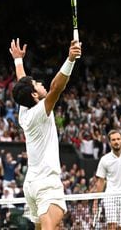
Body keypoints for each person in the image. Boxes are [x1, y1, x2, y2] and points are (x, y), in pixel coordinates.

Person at [11, 38, 81, 229]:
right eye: (36, 83)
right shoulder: (40, 112)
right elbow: (56, 88)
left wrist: (18, 61)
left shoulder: (24, 110)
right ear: (34, 95)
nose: (40, 83)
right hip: (46, 184)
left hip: (31, 185)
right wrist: (70, 59)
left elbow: (22, 83)